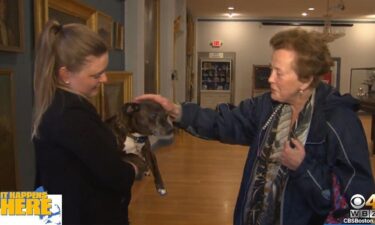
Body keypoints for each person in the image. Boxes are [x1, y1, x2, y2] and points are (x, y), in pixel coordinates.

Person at [135, 28, 375, 225]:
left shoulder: (340, 122)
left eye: (278, 73)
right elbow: (224, 122)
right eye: (271, 69)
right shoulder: (268, 106)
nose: (269, 78)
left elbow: (362, 207)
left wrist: (303, 168)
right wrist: (177, 111)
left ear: (305, 80)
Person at [32, 20, 145, 225]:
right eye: (96, 74)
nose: (105, 79)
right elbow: (116, 176)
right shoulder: (71, 115)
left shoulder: (54, 103)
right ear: (65, 74)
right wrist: (135, 166)